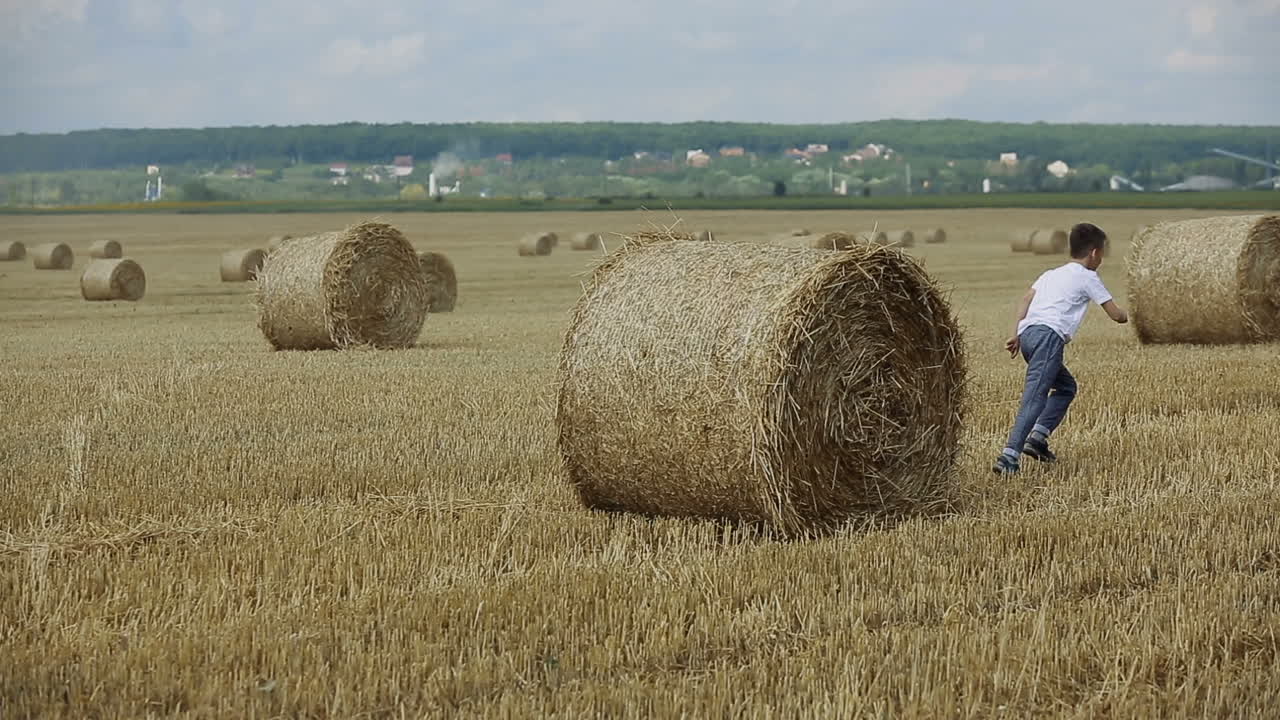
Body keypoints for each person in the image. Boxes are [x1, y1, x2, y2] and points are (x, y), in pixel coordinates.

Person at [994, 222, 1128, 474]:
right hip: (1048, 338)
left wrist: (1015, 333)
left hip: (1028, 336)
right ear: (1095, 253)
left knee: (1066, 387)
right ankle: (1009, 456)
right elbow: (1116, 315)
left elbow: (1025, 299)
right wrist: (1130, 315)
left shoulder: (1051, 273)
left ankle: (1038, 438)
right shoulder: (1089, 277)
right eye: (1102, 254)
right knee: (1035, 396)